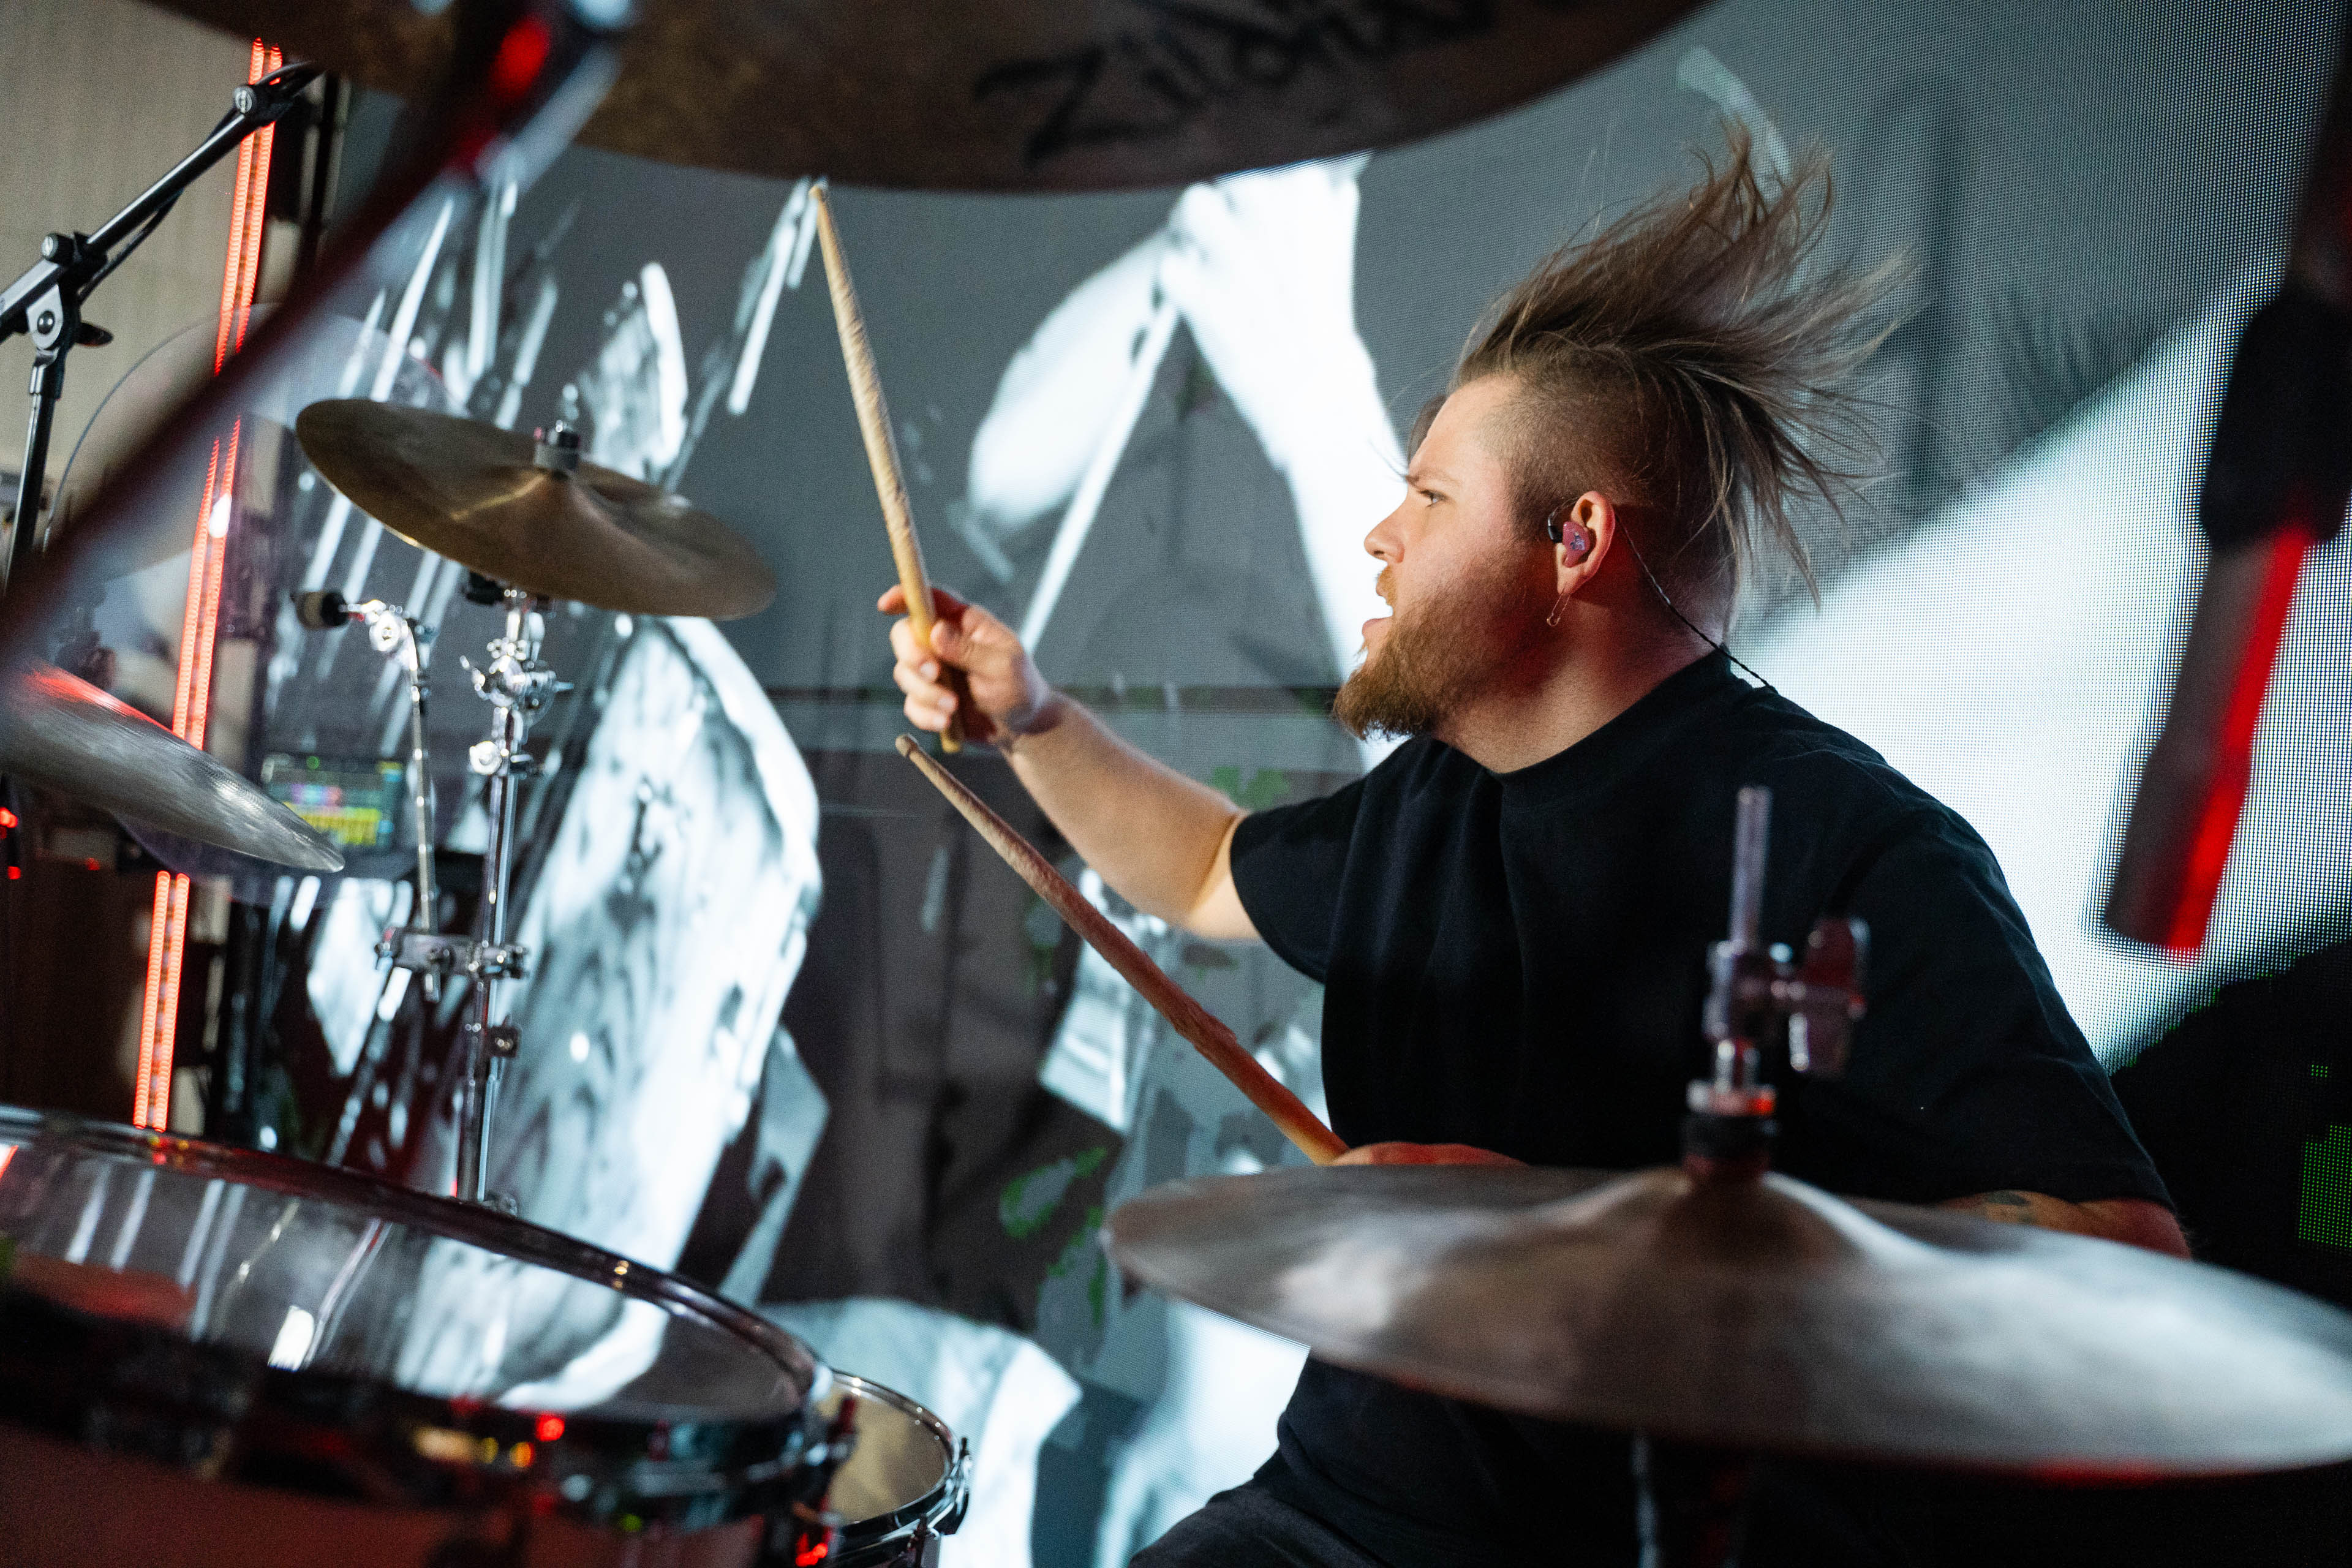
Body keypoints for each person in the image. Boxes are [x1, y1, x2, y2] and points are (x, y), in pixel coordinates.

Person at [880, 132, 2185, 1566]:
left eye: (1430, 498)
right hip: (1328, 1513)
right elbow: (1201, 869)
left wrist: (1624, 1237)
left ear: (1576, 541)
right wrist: (1033, 716)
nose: (1382, 537)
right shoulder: (1440, 796)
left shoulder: (1851, 847)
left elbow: (2121, 1252)